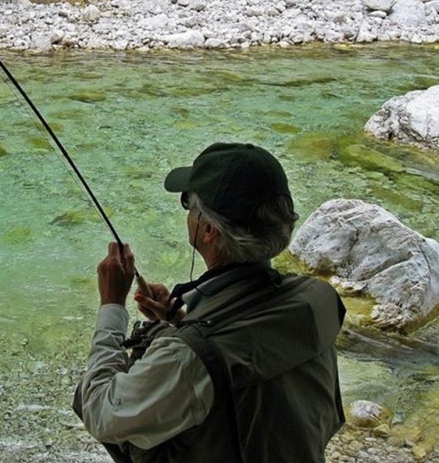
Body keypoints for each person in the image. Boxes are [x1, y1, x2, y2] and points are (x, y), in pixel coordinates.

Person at [74, 142, 345, 463]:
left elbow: (100, 412)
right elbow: (251, 362)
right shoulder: (317, 299)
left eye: (188, 203)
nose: (187, 212)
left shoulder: (189, 359)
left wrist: (111, 306)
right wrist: (180, 322)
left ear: (209, 229)